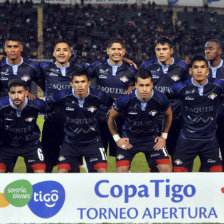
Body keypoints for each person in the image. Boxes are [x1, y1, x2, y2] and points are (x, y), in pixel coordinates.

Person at [107, 70, 172, 173]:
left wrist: (164, 137)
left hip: (152, 140)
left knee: (167, 171)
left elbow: (168, 115)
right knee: (120, 174)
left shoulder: (160, 98)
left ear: (152, 85)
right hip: (129, 140)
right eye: (141, 85)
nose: (145, 89)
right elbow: (110, 117)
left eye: (147, 85)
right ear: (136, 85)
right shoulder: (125, 99)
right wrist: (117, 139)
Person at [140, 36, 189, 169]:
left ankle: (174, 182)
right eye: (158, 49)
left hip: (176, 116)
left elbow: (189, 87)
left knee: (175, 153)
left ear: (171, 50)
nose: (161, 52)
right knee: (155, 155)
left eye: (164, 49)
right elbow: (139, 84)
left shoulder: (183, 66)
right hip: (153, 118)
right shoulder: (147, 65)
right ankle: (156, 181)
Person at [170, 56, 223, 172]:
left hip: (209, 140)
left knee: (216, 176)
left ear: (207, 70)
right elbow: (160, 97)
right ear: (190, 70)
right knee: (179, 178)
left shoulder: (218, 85)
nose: (199, 71)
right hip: (186, 139)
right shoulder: (181, 87)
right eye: (196, 67)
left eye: (203, 67)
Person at [39, 40, 86, 172]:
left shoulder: (79, 69)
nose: (61, 52)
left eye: (65, 50)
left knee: (73, 162)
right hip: (51, 120)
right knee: (48, 161)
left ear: (70, 54)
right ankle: (45, 189)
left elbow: (103, 65)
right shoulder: (44, 68)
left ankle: (74, 189)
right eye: (58, 50)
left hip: (73, 122)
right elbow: (24, 69)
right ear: (54, 53)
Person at [0, 35, 44, 172]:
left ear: (21, 48)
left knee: (34, 172)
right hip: (4, 119)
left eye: (15, 46)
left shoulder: (31, 67)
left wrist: (38, 98)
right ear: (4, 49)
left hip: (26, 116)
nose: (12, 50)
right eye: (9, 47)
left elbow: (45, 85)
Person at [54, 71, 113, 173]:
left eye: (83, 81)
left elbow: (114, 105)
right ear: (71, 84)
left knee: (103, 173)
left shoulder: (99, 95)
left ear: (89, 83)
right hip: (70, 144)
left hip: (93, 143)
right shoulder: (61, 96)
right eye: (76, 82)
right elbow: (49, 108)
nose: (80, 85)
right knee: (62, 174)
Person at [87, 38, 137, 157]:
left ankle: (123, 173)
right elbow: (81, 78)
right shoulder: (97, 66)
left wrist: (134, 86)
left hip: (121, 117)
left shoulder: (131, 69)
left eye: (119, 49)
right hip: (99, 117)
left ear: (124, 51)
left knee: (121, 153)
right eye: (113, 49)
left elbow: (142, 83)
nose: (116, 51)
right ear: (107, 51)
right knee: (98, 153)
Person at [0, 78, 49, 173]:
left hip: (31, 145)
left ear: (26, 93)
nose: (16, 96)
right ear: (9, 94)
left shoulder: (37, 104)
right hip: (8, 145)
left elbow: (52, 110)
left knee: (41, 175)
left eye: (20, 92)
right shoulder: (1, 104)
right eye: (13, 93)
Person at [205, 39, 224, 170]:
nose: (207, 51)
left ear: (219, 51)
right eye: (206, 48)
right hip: (204, 116)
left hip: (221, 116)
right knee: (207, 155)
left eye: (211, 48)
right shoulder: (200, 68)